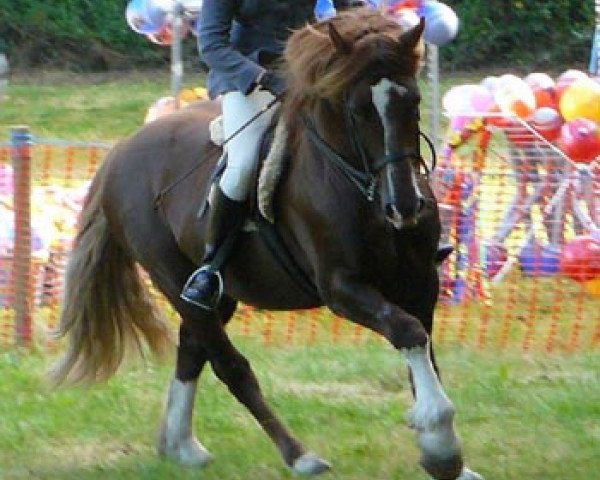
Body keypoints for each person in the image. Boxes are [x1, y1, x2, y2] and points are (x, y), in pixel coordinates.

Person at [181, 0, 363, 308]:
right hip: (247, 78)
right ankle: (211, 267)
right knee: (243, 165)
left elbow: (351, 12)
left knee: (368, 134)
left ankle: (404, 231)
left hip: (308, 71)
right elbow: (211, 45)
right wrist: (262, 78)